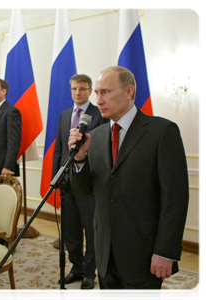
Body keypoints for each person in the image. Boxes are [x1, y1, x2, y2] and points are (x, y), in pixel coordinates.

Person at [68, 66, 189, 299]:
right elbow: (85, 190)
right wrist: (80, 159)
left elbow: (175, 197)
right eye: (97, 94)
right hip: (105, 253)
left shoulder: (162, 131)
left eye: (105, 92)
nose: (99, 100)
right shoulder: (99, 134)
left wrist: (166, 251)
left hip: (142, 254)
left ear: (128, 91)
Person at [52, 74, 107, 291]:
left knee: (90, 230)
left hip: (89, 182)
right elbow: (59, 148)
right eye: (74, 88)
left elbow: (101, 148)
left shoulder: (99, 114)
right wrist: (56, 176)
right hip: (67, 184)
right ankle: (76, 267)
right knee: (70, 230)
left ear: (90, 90)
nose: (78, 93)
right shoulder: (65, 114)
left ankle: (88, 273)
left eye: (83, 89)